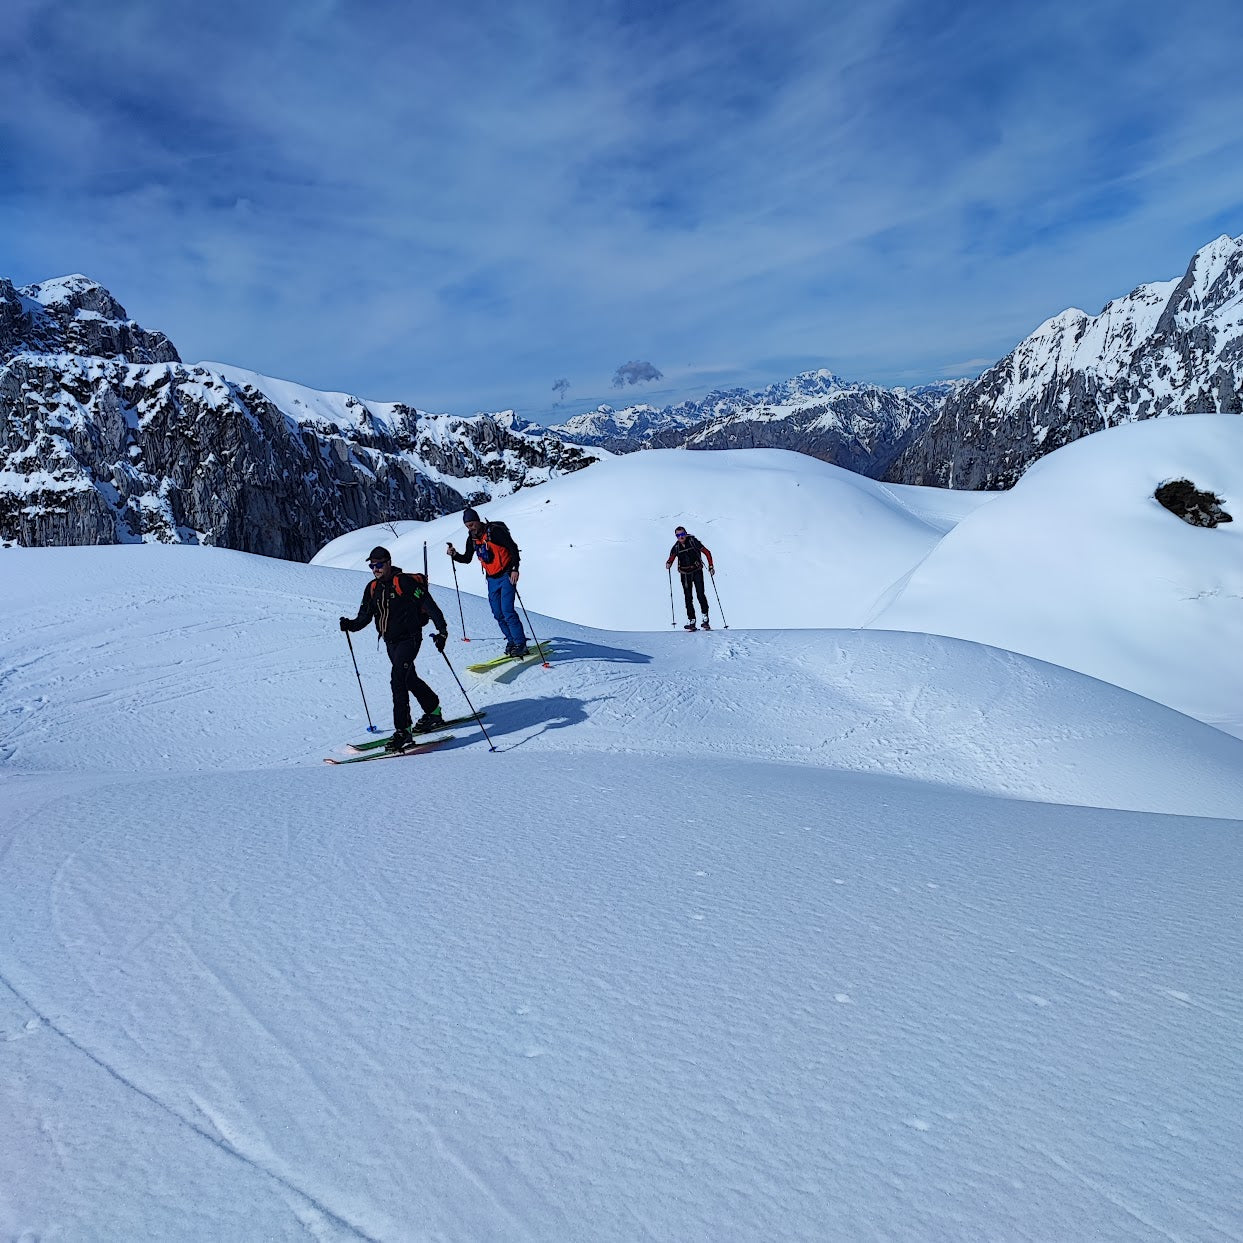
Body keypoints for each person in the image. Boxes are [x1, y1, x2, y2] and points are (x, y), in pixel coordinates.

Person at [339, 545, 449, 752]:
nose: (375, 569)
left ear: (388, 563)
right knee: (408, 678)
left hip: (410, 639)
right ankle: (433, 710)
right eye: (372, 566)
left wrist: (442, 631)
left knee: (398, 679)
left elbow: (428, 603)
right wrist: (350, 625)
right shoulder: (372, 588)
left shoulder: (404, 582)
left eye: (379, 565)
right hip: (391, 642)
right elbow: (365, 617)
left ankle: (403, 731)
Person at [446, 507, 529, 656]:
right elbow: (467, 559)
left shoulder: (495, 532)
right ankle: (511, 641)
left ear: (478, 520)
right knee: (497, 613)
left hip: (507, 575)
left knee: (507, 611)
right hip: (491, 579)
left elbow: (513, 548)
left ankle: (520, 643)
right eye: (467, 526)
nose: (470, 528)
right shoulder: (472, 538)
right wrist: (455, 555)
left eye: (472, 524)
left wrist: (516, 568)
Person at [666, 525, 715, 630]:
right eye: (678, 535)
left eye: (682, 534)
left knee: (700, 595)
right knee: (688, 598)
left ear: (686, 534)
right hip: (684, 574)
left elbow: (707, 552)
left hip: (697, 571)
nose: (681, 537)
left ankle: (705, 619)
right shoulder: (676, 547)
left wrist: (711, 566)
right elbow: (671, 558)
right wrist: (669, 563)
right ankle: (692, 621)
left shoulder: (693, 541)